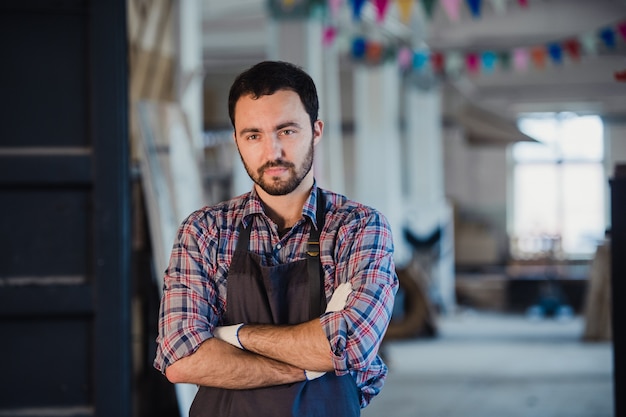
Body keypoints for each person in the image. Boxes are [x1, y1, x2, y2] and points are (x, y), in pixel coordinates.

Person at [154, 60, 398, 416]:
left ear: (316, 131)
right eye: (253, 135)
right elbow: (180, 356)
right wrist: (306, 365)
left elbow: (349, 345)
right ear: (237, 138)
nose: (272, 153)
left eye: (286, 131)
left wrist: (233, 335)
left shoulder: (358, 228)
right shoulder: (205, 230)